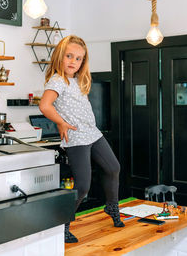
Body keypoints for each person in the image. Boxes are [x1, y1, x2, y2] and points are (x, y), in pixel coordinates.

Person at [39, 35, 124, 243]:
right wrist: (61, 122)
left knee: (113, 167)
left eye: (78, 59)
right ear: (60, 56)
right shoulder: (57, 80)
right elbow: (45, 106)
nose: (73, 62)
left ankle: (111, 206)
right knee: (83, 186)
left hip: (92, 132)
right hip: (76, 136)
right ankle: (63, 223)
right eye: (69, 56)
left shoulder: (76, 80)